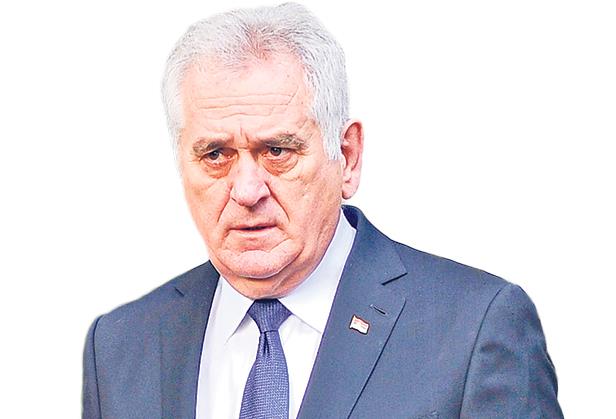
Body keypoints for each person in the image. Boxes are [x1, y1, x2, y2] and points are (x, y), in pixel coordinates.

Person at [82, 3, 563, 418]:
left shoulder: (474, 330)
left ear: (347, 157)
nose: (246, 189)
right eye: (215, 155)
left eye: (277, 151)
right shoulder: (120, 347)